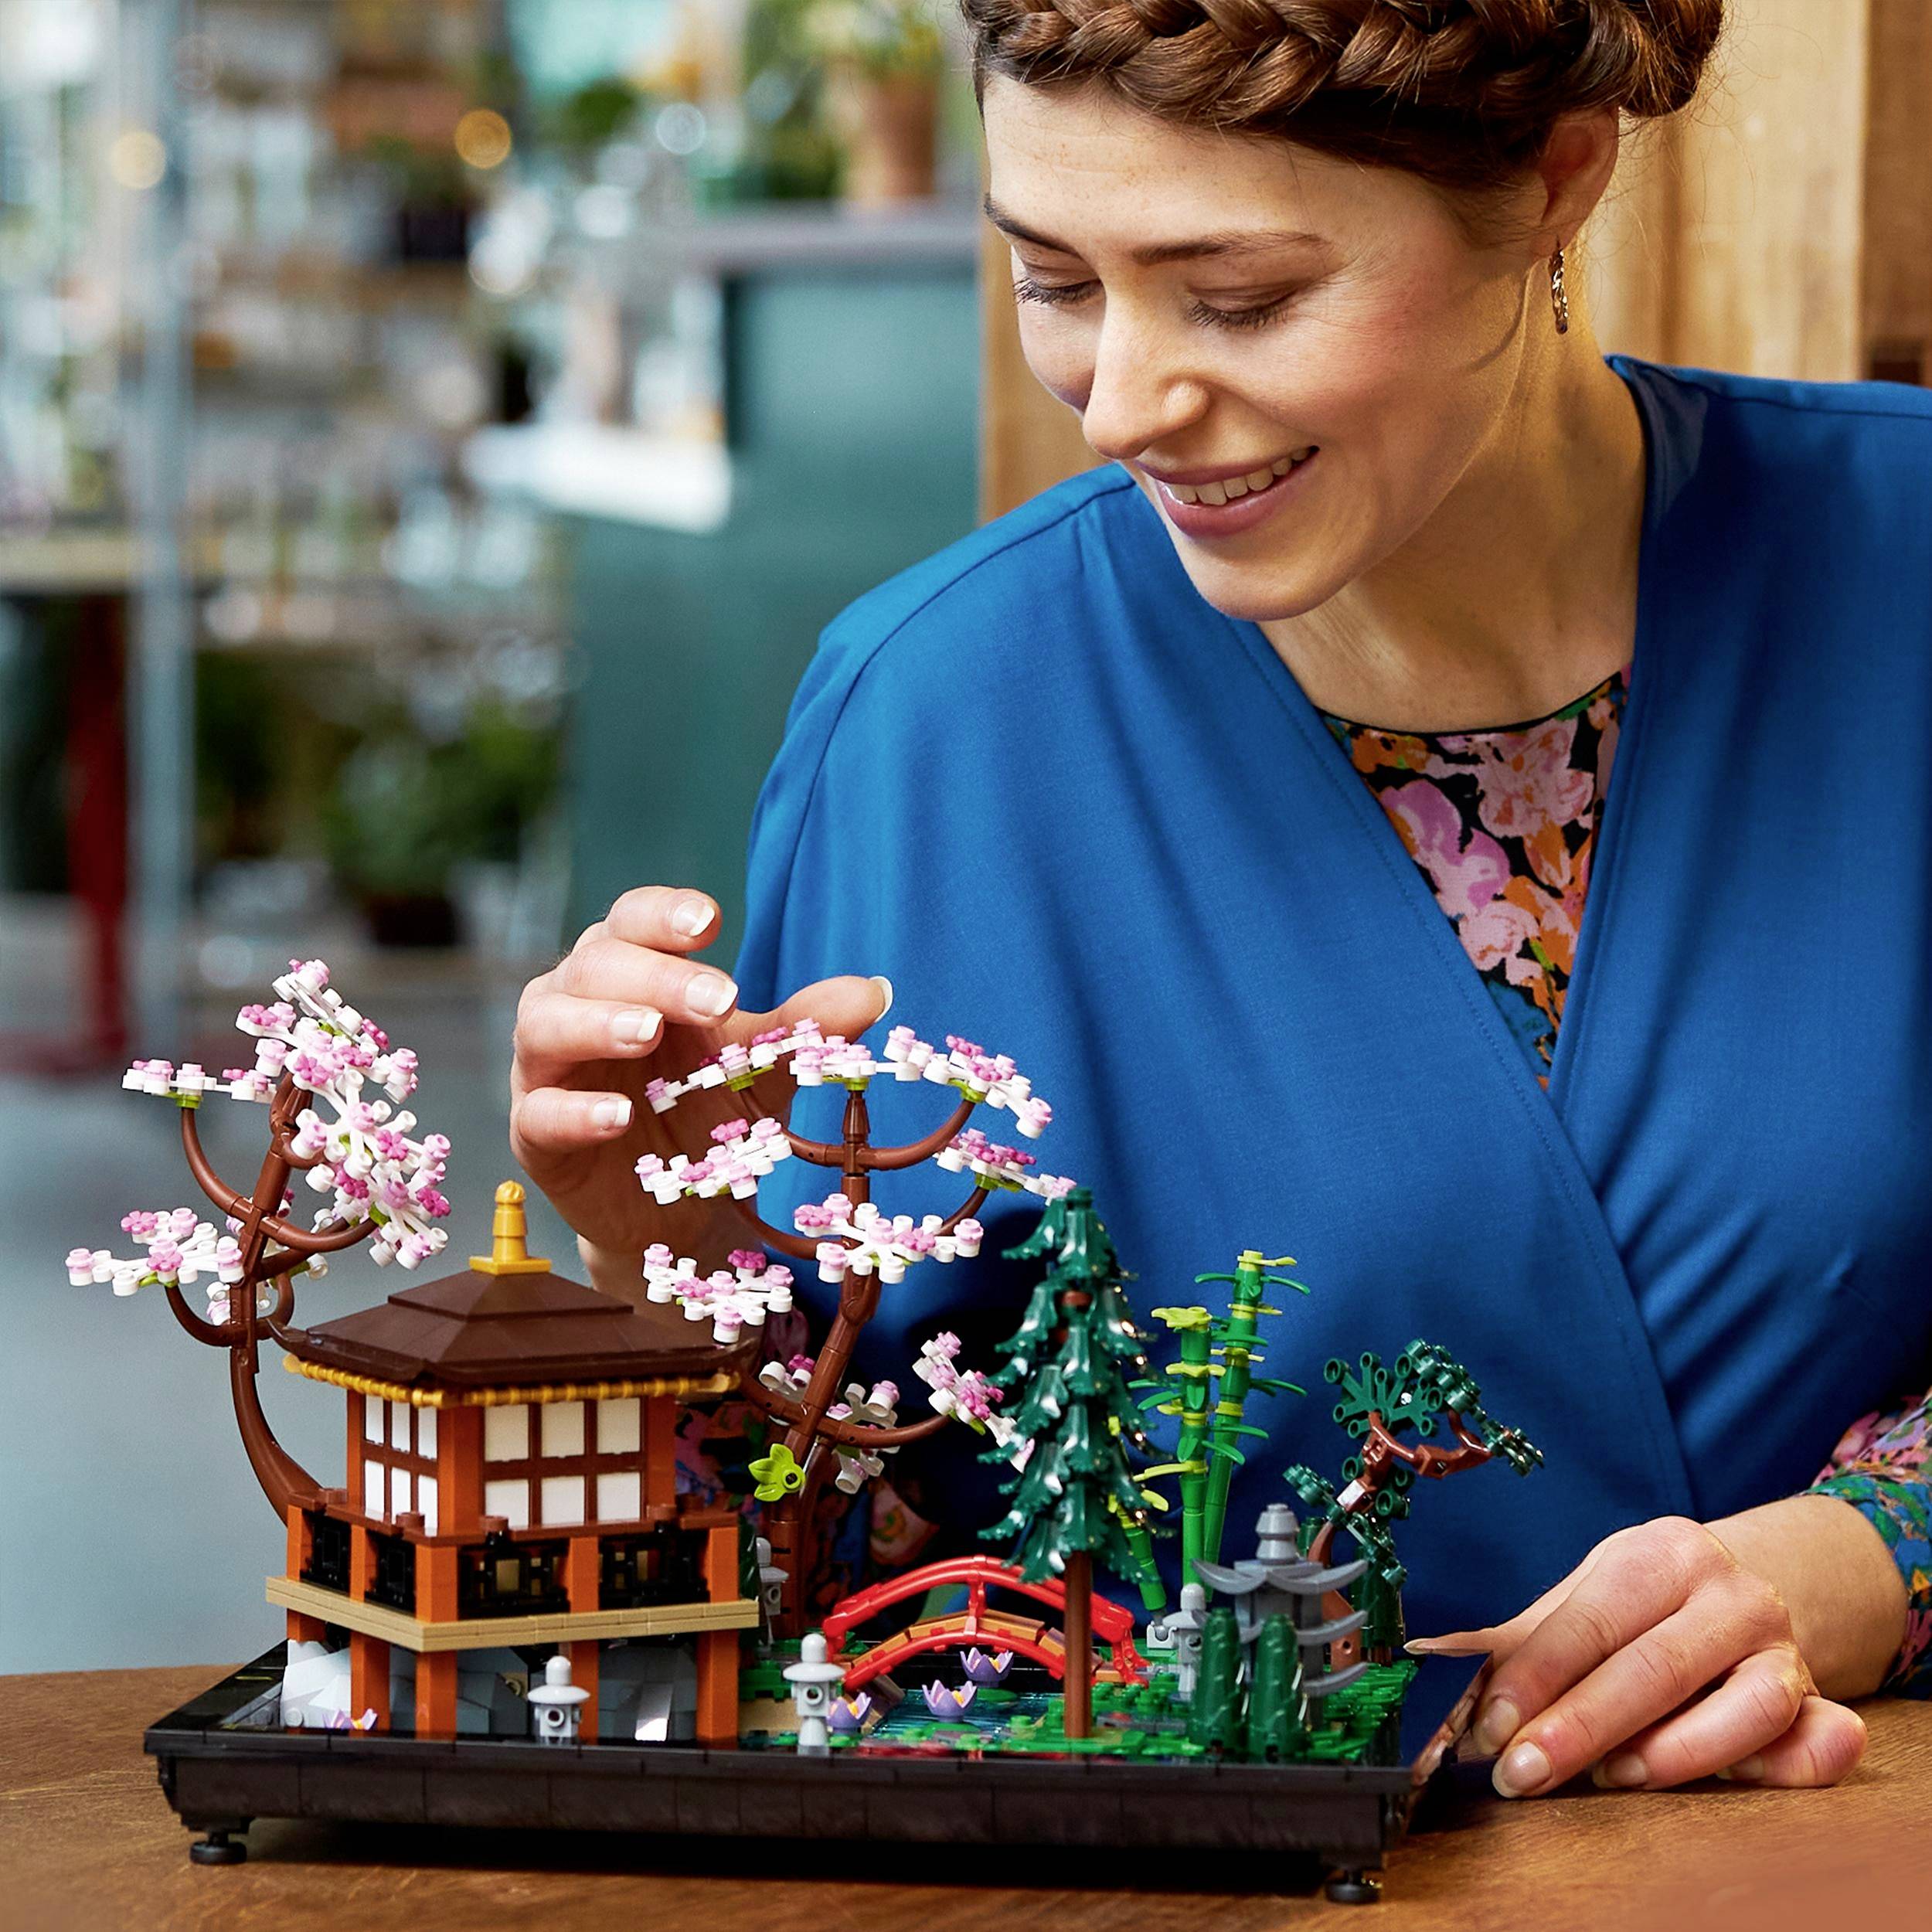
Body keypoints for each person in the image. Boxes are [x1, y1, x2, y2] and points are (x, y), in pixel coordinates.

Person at [511, 0, 1930, 1800]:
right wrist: (661, 1263)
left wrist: (1864, 1558)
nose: (1120, 401)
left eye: (1239, 296)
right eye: (1051, 281)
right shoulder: (932, 719)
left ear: (1555, 185)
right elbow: (824, 1578)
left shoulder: (1901, 570)